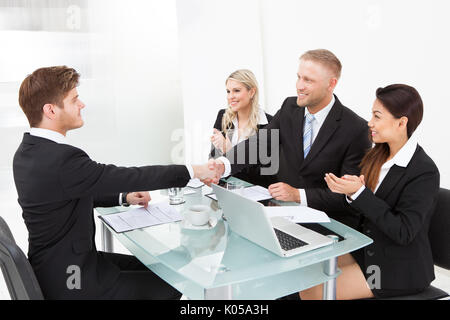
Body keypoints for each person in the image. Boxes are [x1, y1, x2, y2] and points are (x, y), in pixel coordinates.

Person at [13, 66, 218, 300]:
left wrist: (124, 197)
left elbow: (65, 194)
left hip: (57, 270)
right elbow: (129, 175)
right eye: (74, 100)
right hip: (75, 282)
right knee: (174, 283)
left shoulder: (27, 152)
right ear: (50, 110)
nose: (82, 105)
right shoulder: (62, 159)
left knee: (165, 269)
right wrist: (193, 170)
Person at [305, 84, 439, 299]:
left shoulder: (424, 171)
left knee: (313, 292)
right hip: (365, 250)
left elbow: (403, 232)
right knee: (301, 276)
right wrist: (348, 192)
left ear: (401, 122)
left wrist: (359, 194)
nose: (370, 123)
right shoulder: (376, 155)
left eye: (377, 116)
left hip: (397, 268)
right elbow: (365, 209)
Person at [210, 49, 371, 227]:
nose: (299, 86)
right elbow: (258, 145)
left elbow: (348, 195)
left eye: (308, 80)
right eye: (299, 77)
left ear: (331, 84)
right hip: (282, 216)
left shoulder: (357, 129)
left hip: (328, 224)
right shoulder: (289, 108)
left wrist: (298, 195)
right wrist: (222, 164)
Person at [210, 69, 273, 186]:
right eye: (228, 91)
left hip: (254, 192)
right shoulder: (223, 116)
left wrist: (230, 151)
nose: (231, 96)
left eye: (236, 91)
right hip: (225, 188)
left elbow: (266, 173)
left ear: (252, 92)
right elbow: (213, 160)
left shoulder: (269, 124)